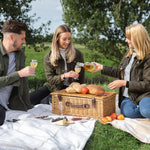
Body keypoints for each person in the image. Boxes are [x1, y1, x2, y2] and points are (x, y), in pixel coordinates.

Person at [93, 24, 150, 119]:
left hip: (144, 95)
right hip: (129, 97)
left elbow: (148, 84)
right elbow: (121, 73)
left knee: (146, 111)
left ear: (137, 39)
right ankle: (139, 109)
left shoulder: (148, 57)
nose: (126, 40)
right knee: (129, 113)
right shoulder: (130, 53)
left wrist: (125, 83)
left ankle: (143, 108)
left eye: (128, 38)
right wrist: (102, 67)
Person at [30, 24, 85, 105]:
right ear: (57, 39)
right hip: (52, 87)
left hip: (69, 88)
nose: (67, 42)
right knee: (30, 99)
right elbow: (50, 79)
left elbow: (82, 76)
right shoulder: (49, 55)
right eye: (64, 39)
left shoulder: (77, 54)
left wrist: (80, 91)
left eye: (69, 39)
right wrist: (64, 76)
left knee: (45, 102)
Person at [0, 20, 36, 125]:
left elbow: (24, 82)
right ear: (12, 37)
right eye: (22, 38)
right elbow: (21, 75)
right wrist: (19, 74)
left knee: (43, 93)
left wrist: (28, 107)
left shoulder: (20, 54)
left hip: (10, 102)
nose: (24, 42)